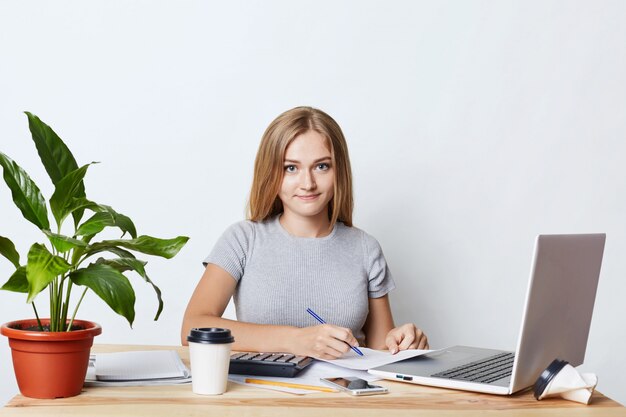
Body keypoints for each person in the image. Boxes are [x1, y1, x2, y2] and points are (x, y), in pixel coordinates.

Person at [181, 106, 428, 359]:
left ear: (338, 171)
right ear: (270, 173)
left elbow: (380, 351)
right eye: (291, 168)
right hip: (258, 395)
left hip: (341, 395)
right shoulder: (243, 240)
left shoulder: (365, 248)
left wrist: (403, 344)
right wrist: (294, 340)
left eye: (321, 166)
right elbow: (193, 327)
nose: (308, 183)